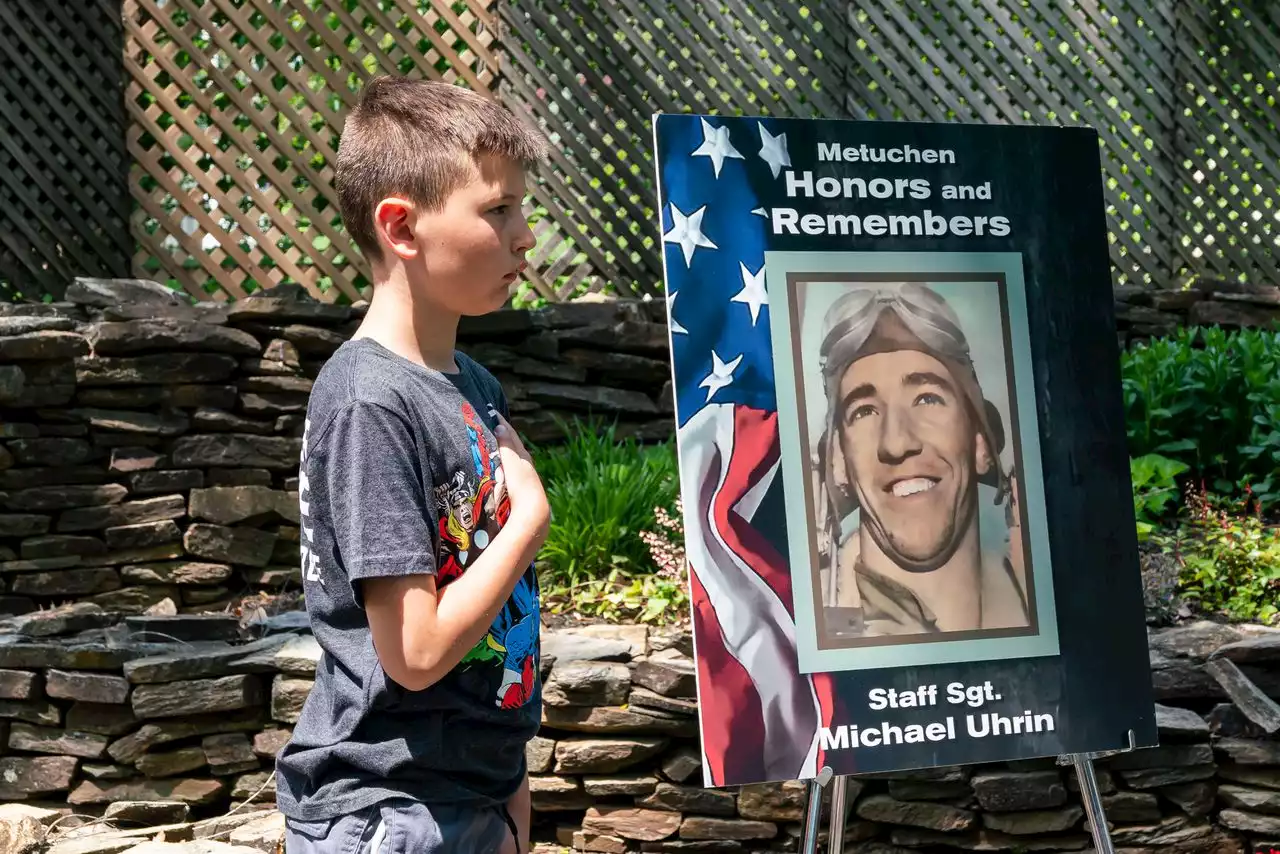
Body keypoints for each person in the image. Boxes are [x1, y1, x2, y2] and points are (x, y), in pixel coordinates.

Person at [273, 75, 551, 854]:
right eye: (498, 210)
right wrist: (528, 523)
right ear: (401, 226)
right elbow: (417, 653)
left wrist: (509, 794)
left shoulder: (470, 384)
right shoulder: (369, 402)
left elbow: (494, 625)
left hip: (473, 796)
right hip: (388, 814)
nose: (525, 235)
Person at [814, 282, 1028, 638]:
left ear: (981, 443)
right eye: (864, 411)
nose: (897, 442)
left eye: (927, 399)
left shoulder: (1036, 597)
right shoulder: (809, 637)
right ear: (838, 459)